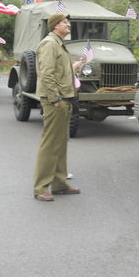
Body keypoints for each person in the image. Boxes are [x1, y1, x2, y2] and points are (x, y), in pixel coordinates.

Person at [33, 13, 84, 202]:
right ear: (55, 26)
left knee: (61, 143)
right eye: (65, 22)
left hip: (65, 98)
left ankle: (60, 184)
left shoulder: (58, 44)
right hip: (56, 100)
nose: (68, 25)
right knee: (50, 145)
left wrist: (74, 66)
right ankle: (40, 188)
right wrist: (55, 99)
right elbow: (46, 74)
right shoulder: (49, 44)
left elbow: (59, 70)